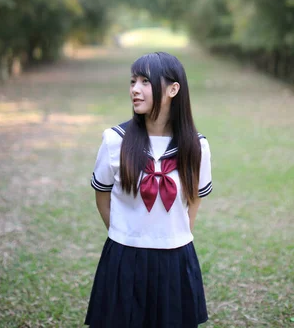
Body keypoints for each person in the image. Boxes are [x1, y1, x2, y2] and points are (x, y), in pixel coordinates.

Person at [85, 51, 212, 328]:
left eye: (145, 81)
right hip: (124, 256)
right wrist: (124, 233)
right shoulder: (114, 141)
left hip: (176, 257)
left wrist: (174, 234)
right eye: (133, 81)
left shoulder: (196, 146)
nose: (135, 89)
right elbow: (101, 194)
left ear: (172, 89)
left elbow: (195, 200)